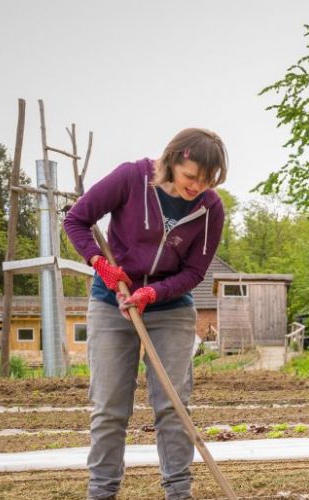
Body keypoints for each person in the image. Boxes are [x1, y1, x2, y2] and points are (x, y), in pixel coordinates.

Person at [64, 128, 227, 500]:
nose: (196, 187)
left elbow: (195, 272)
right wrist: (101, 264)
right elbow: (76, 220)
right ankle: (102, 493)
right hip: (112, 303)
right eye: (190, 177)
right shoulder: (130, 178)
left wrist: (154, 292)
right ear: (172, 162)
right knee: (109, 407)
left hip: (168, 307)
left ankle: (178, 492)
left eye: (207, 181)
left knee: (173, 406)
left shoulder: (210, 209)